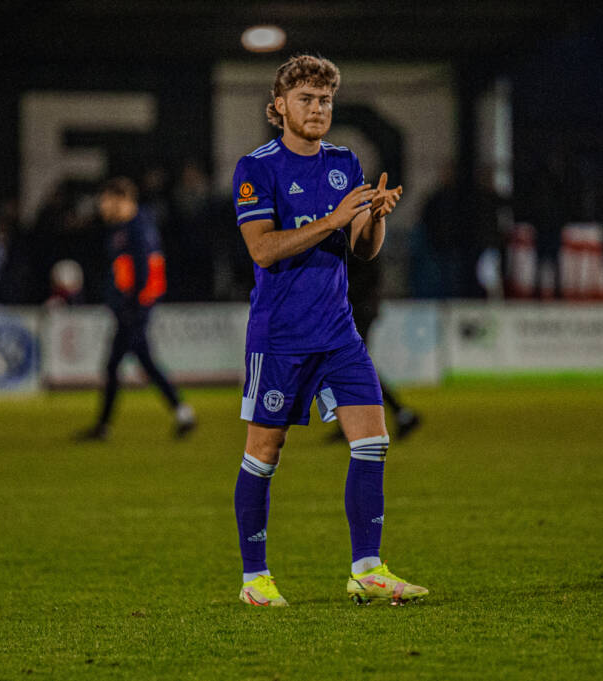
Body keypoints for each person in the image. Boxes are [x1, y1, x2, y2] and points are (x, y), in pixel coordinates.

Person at [230, 54, 428, 607]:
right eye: (306, 100)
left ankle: (367, 569)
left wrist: (375, 216)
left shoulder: (344, 162)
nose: (318, 109)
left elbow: (362, 248)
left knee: (373, 441)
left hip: (339, 333)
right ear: (279, 107)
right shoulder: (256, 168)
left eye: (325, 100)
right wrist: (334, 220)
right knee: (264, 453)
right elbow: (262, 250)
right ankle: (255, 579)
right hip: (280, 337)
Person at [75, 177, 195, 442]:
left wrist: (133, 305)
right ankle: (182, 413)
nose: (102, 207)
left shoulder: (137, 227)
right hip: (133, 307)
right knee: (140, 363)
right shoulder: (127, 227)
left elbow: (144, 270)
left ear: (121, 199)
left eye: (105, 201)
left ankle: (103, 427)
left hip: (135, 309)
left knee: (117, 364)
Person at [332, 256, 419, 441]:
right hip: (357, 310)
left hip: (359, 311)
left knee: (353, 366)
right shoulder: (354, 246)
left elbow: (362, 280)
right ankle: (351, 423)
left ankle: (402, 413)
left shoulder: (358, 248)